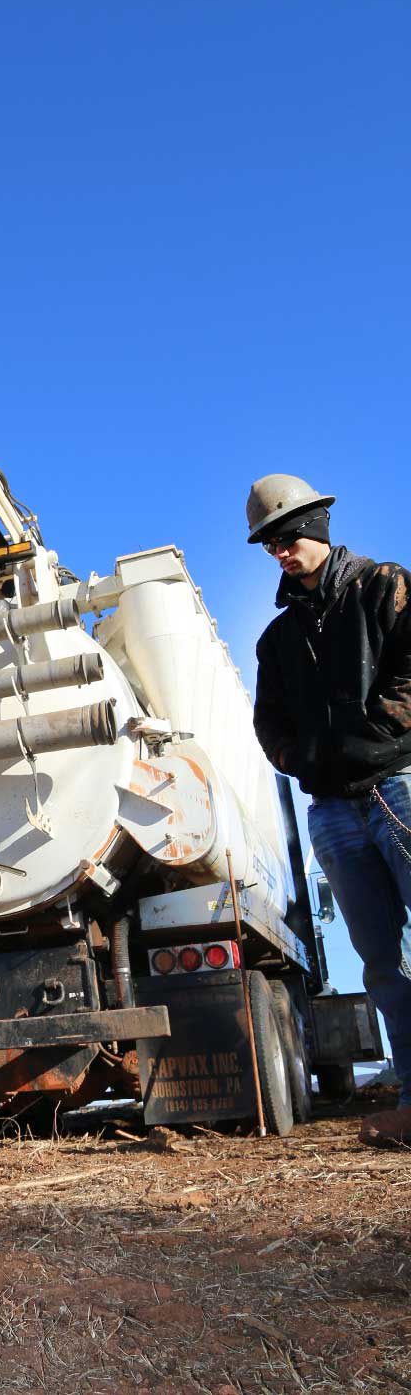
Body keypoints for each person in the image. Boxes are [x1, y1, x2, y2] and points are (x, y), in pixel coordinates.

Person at [248, 474, 411, 1145]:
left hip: (396, 787)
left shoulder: (386, 587)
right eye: (269, 546)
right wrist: (304, 762)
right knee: (381, 964)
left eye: (287, 539)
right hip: (334, 815)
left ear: (316, 527)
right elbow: (269, 726)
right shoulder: (277, 640)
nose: (280, 553)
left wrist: (366, 739)